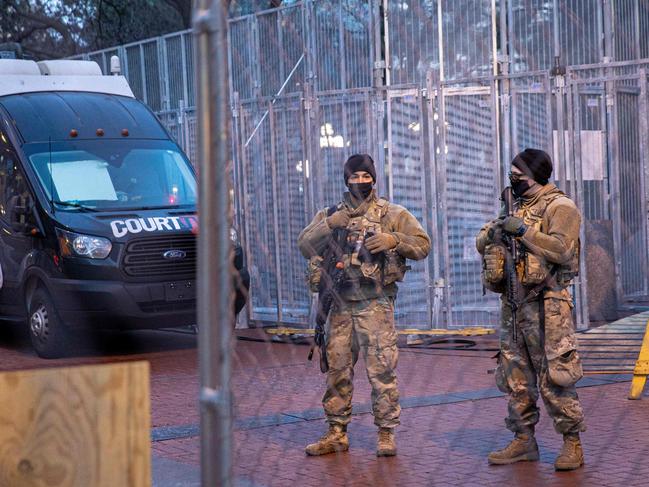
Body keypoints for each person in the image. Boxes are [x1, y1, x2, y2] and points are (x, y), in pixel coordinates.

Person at [297, 154, 430, 457]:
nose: (359, 182)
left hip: (375, 304)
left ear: (374, 178)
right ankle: (336, 432)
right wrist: (330, 224)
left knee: (382, 371)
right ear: (345, 179)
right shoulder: (330, 214)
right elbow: (304, 244)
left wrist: (392, 240)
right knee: (337, 371)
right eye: (354, 177)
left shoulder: (392, 213)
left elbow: (423, 244)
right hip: (340, 306)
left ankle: (385, 434)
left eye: (364, 176)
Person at [476, 148, 586, 471]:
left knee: (555, 376)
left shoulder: (560, 207)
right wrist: (495, 232)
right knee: (515, 376)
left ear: (536, 176)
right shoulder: (513, 206)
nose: (513, 179)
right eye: (512, 174)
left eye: (518, 174)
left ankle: (572, 444)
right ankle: (524, 440)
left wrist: (524, 232)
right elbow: (482, 240)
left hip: (547, 304)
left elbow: (563, 250)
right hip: (514, 304)